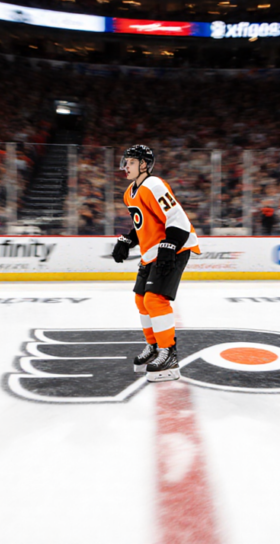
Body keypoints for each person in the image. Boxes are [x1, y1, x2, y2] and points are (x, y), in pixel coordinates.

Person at [111, 145, 201, 383]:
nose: (125, 166)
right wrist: (128, 240)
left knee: (154, 299)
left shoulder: (155, 185)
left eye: (130, 162)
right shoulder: (130, 192)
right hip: (152, 251)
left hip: (174, 247)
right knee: (140, 300)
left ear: (143, 164)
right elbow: (144, 224)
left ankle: (168, 353)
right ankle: (154, 347)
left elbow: (176, 218)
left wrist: (171, 244)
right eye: (125, 161)